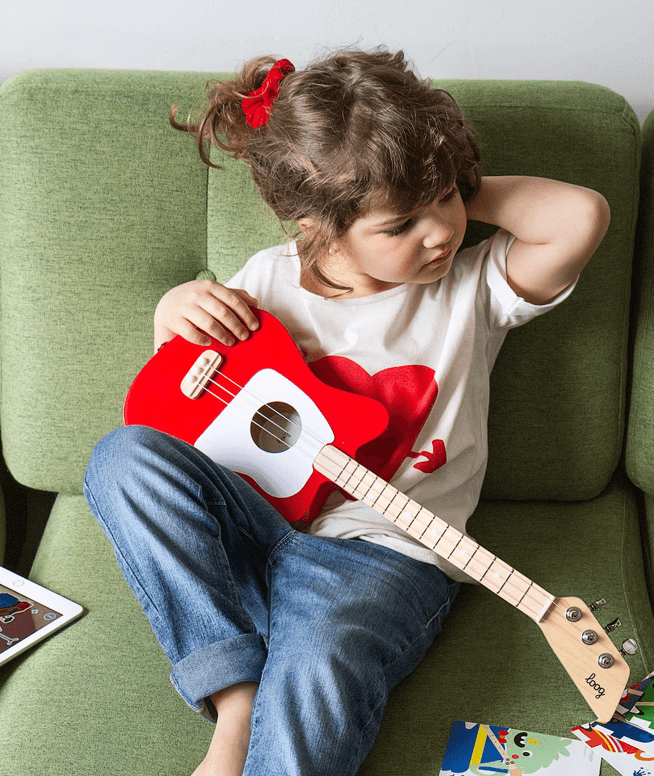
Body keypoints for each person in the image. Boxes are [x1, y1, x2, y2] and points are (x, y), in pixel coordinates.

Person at [83, 47, 609, 776]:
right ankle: (234, 701)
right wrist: (174, 313)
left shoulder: (473, 288)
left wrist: (434, 178)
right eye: (400, 226)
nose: (439, 233)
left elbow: (579, 216)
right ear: (316, 227)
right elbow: (178, 413)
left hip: (381, 557)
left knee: (324, 656)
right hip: (252, 524)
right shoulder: (264, 283)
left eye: (448, 202)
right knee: (120, 458)